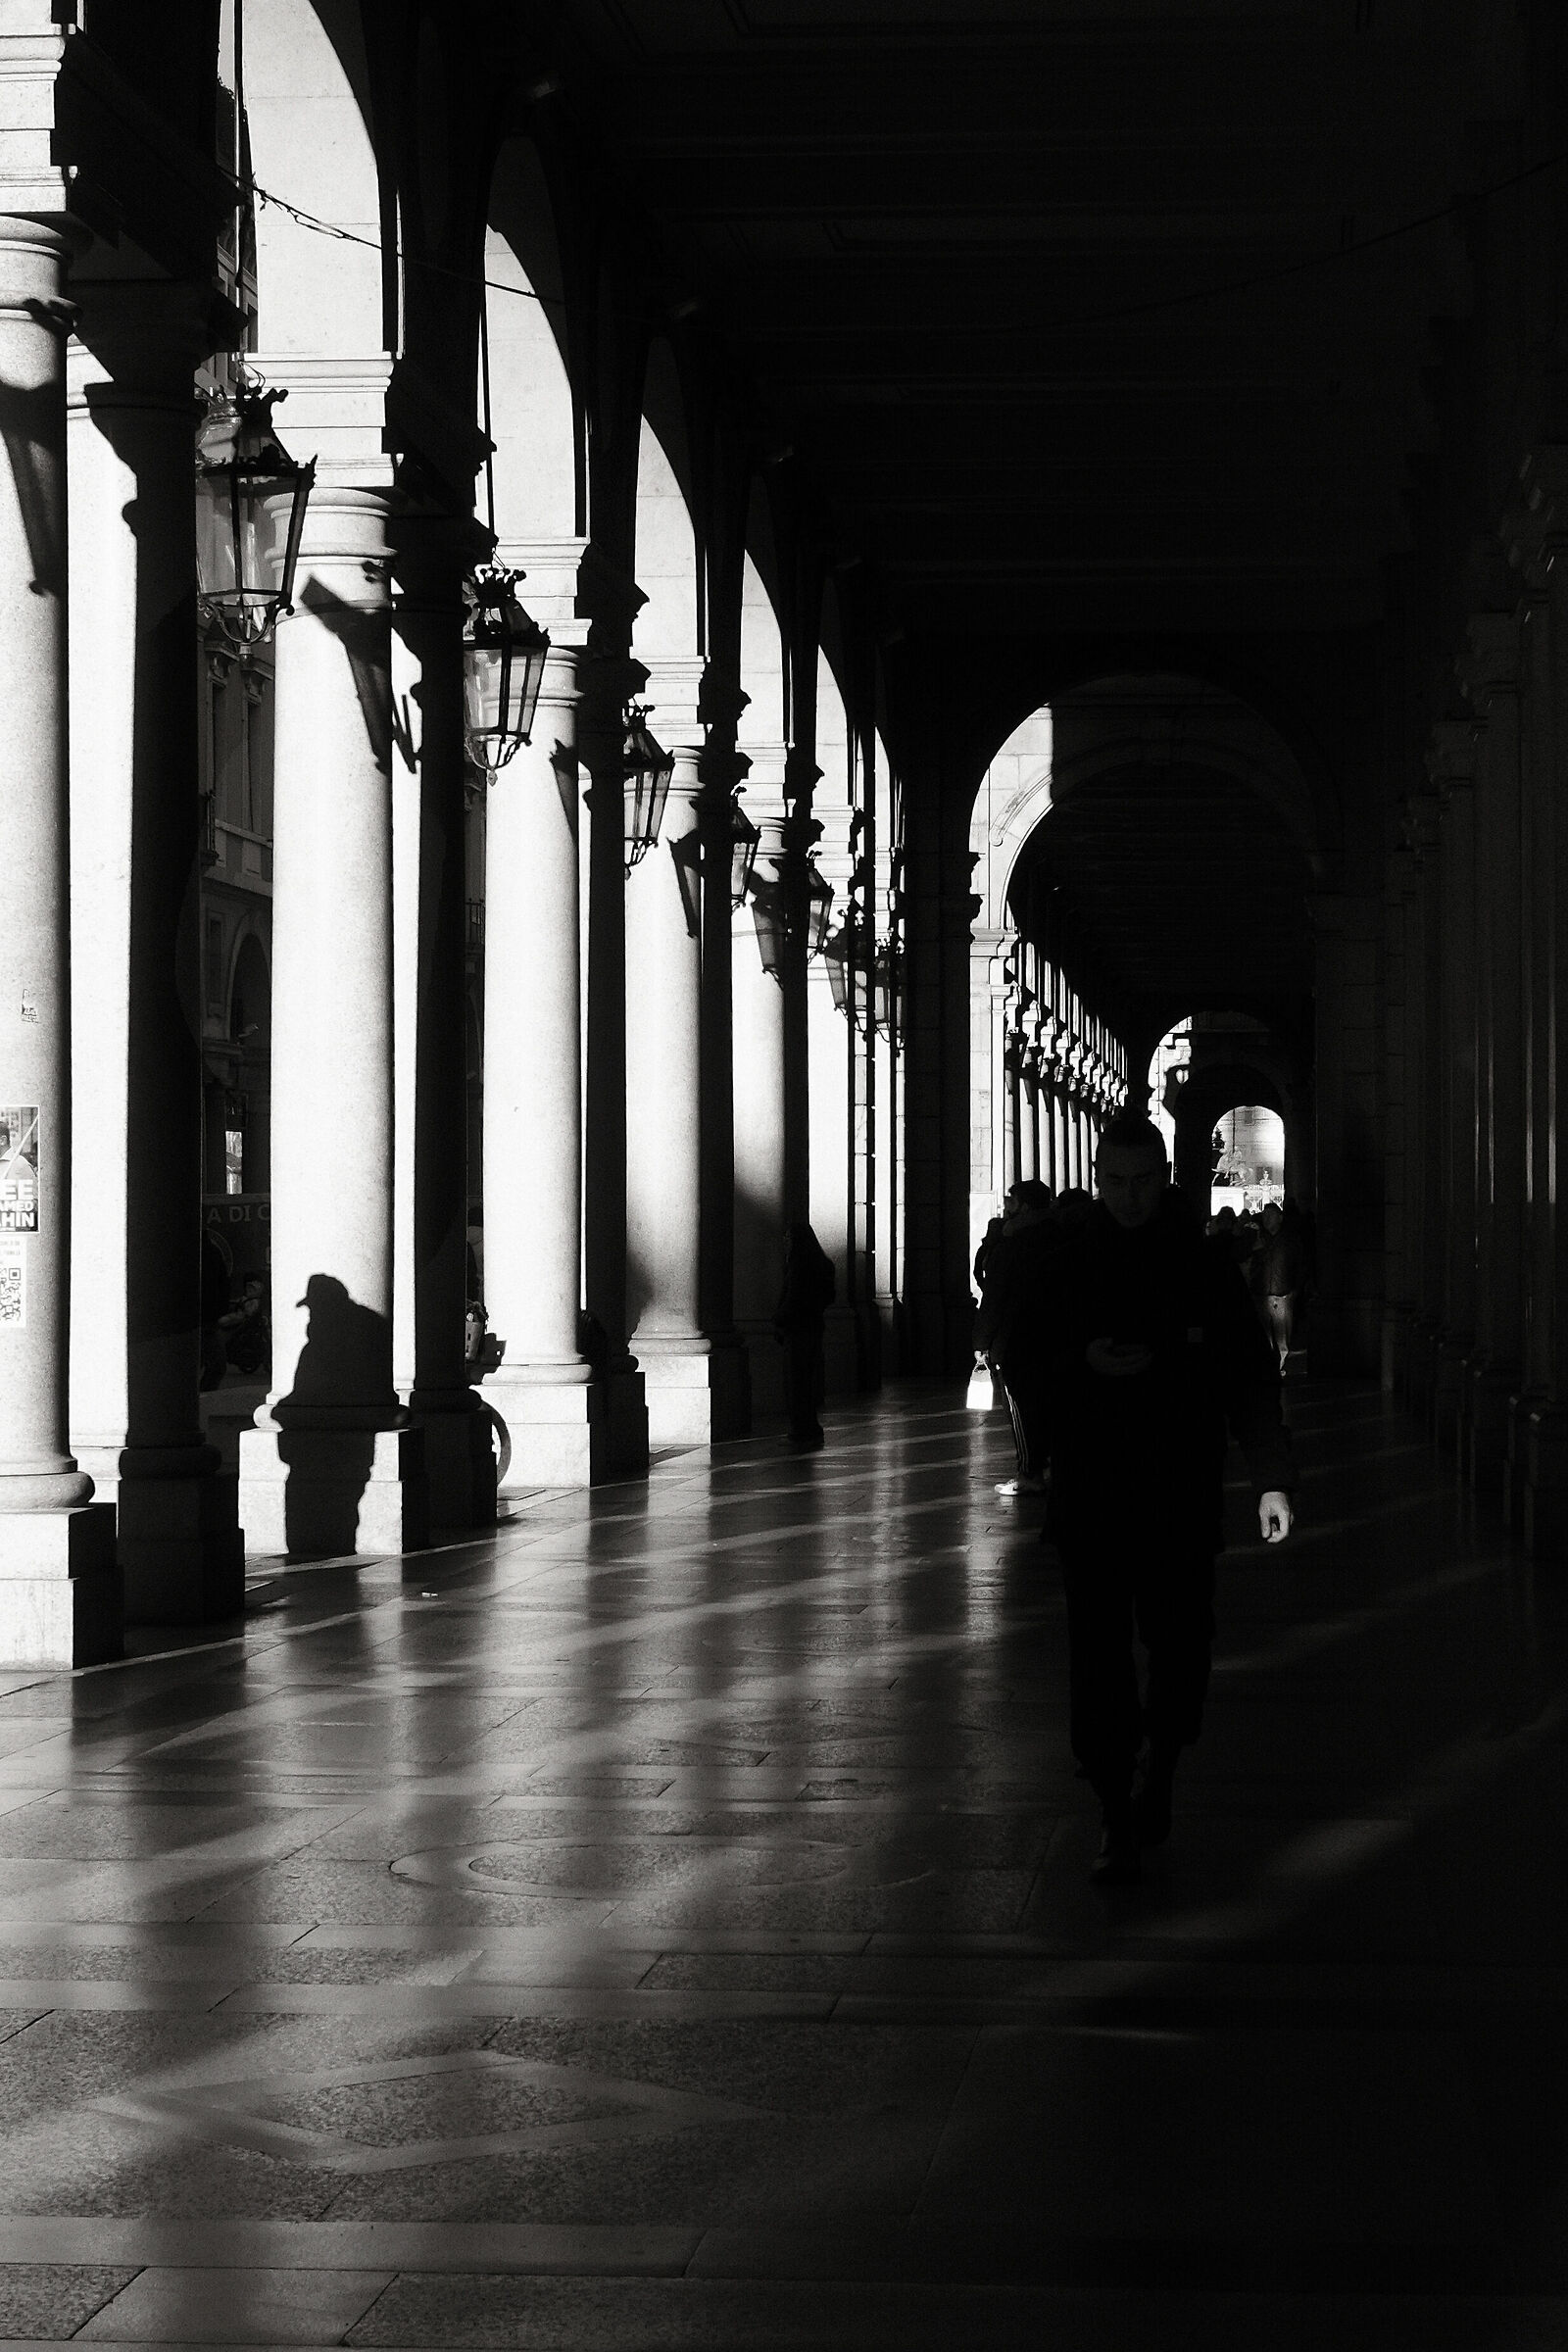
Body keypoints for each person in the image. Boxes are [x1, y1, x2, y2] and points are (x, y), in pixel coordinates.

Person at [1017, 1110, 1295, 1885]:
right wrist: (1084, 1364)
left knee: (1181, 1645)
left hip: (1179, 1490)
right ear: (1100, 1179)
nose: (1131, 1197)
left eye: (1144, 1182)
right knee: (1098, 1658)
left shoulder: (1202, 1265)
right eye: (1117, 1183)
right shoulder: (1065, 1259)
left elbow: (1246, 1375)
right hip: (1095, 1493)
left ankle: (1162, 1764)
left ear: (1165, 1178)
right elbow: (1028, 1361)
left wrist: (1272, 1477)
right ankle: (1113, 1802)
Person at [972, 1179, 1056, 1494]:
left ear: (1023, 1205)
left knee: (1021, 1409)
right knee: (1047, 1406)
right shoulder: (1061, 1237)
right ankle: (1047, 1467)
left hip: (1017, 1340)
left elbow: (995, 1297)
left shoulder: (1014, 1242)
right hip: (1055, 1338)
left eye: (1011, 1200)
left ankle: (1028, 1473)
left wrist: (981, 1342)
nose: (1006, 1205)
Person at [773, 1222, 837, 1449]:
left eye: (789, 1237)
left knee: (796, 1383)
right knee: (807, 1381)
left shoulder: (799, 1266)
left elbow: (793, 1299)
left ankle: (801, 1429)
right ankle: (809, 1427)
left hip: (797, 1330)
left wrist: (778, 1319)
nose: (785, 1242)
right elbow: (829, 1296)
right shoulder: (823, 1265)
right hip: (813, 1328)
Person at [1257, 1198, 1305, 1373]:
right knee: (1266, 1336)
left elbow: (1299, 1266)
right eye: (1265, 1215)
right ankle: (1271, 1368)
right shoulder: (1260, 1239)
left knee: (1282, 1338)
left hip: (1282, 1293)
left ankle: (1279, 1368)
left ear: (1280, 1217)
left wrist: (1294, 1291)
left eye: (1270, 1215)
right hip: (1264, 1294)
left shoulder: (1289, 1240)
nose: (1266, 1218)